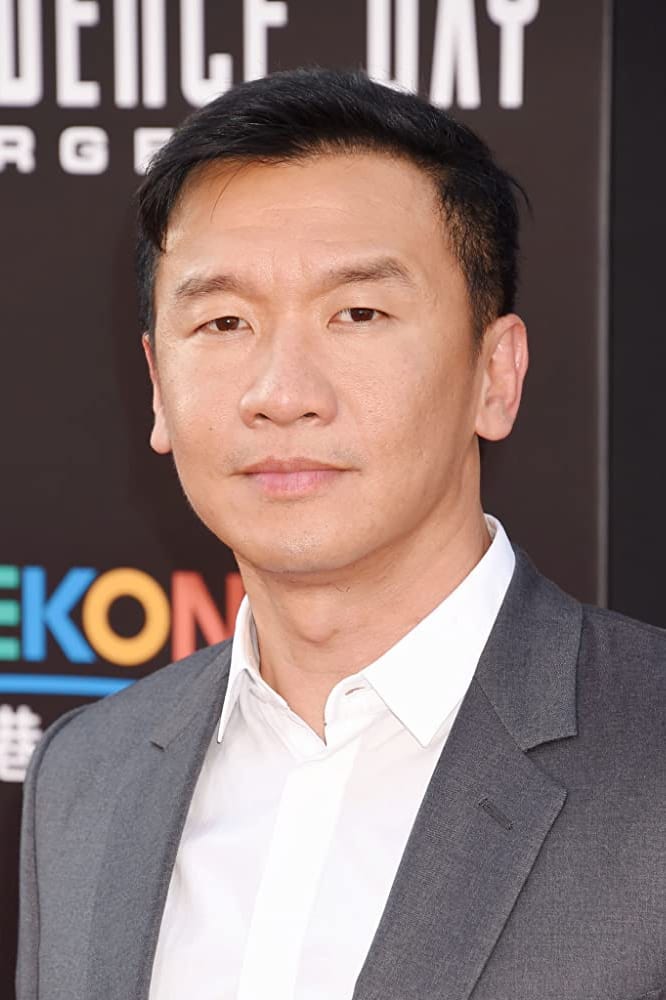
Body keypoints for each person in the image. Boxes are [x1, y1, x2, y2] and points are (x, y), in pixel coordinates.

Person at [16, 68, 666, 1000]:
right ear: (157, 386)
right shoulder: (87, 774)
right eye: (224, 321)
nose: (282, 394)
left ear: (496, 374)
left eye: (358, 314)